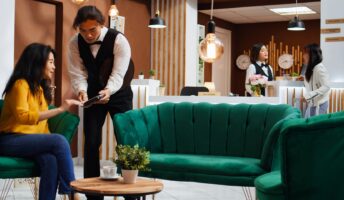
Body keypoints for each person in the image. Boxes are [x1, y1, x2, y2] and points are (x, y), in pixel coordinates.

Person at [67, 6, 134, 200]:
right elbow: (77, 72)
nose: (88, 35)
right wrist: (81, 90)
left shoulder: (119, 40)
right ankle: (92, 193)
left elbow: (119, 73)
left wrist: (109, 90)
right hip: (93, 95)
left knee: (124, 141)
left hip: (119, 94)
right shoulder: (74, 43)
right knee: (91, 141)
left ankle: (131, 193)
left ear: (102, 24)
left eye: (92, 30)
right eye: (83, 30)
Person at [0, 43, 81, 200]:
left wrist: (47, 141)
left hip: (28, 142)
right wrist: (60, 109)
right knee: (59, 140)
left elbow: (42, 126)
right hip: (9, 140)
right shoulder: (20, 85)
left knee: (51, 161)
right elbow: (23, 117)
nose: (54, 67)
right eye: (50, 62)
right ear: (37, 62)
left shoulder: (39, 88)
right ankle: (73, 192)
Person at [302, 43, 330, 118]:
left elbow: (326, 86)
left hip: (320, 105)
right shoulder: (311, 68)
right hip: (313, 104)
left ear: (312, 55)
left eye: (305, 53)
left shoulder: (319, 68)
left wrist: (309, 96)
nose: (303, 55)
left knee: (316, 128)